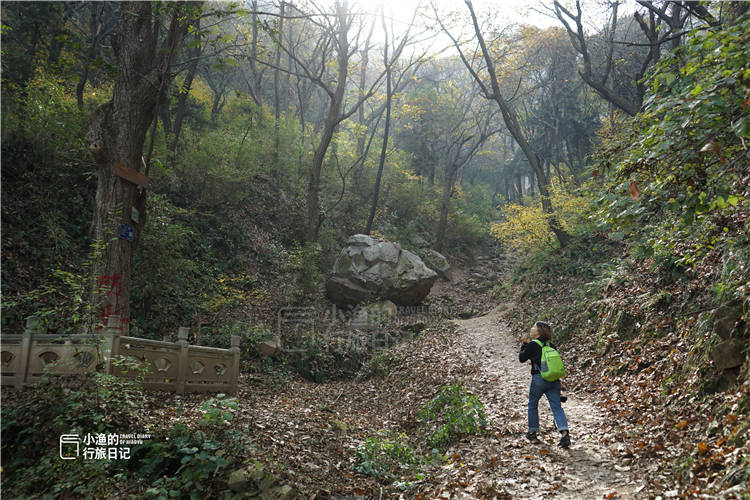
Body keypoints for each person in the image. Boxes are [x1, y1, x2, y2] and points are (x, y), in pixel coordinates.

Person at [519, 321, 570, 448]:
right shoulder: (552, 345)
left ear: (539, 331)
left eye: (534, 327)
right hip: (554, 380)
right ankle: (564, 434)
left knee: (532, 404)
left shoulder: (532, 345)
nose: (531, 328)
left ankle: (532, 432)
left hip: (538, 379)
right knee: (557, 407)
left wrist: (524, 345)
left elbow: (522, 358)